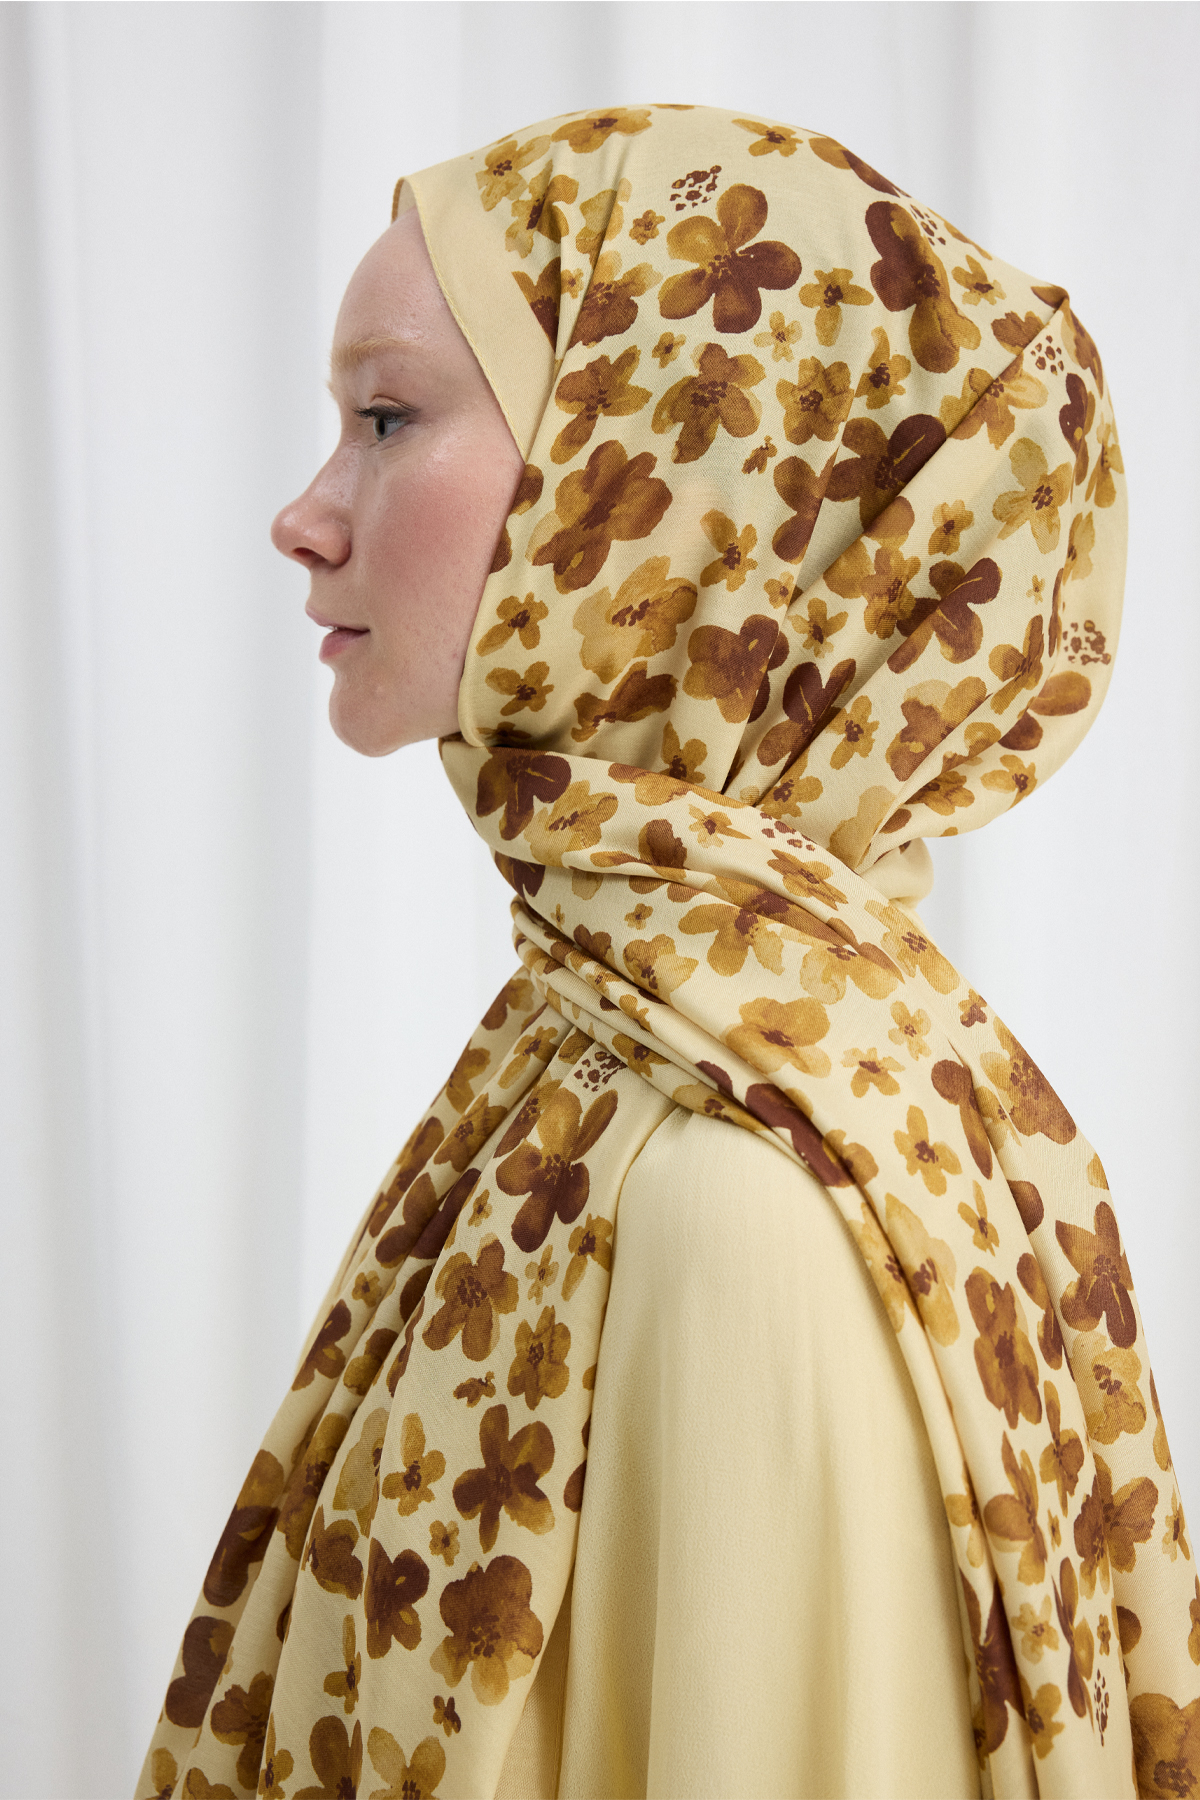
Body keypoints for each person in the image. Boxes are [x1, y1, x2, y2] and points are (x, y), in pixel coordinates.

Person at [138, 107, 1198, 1800]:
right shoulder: (652, 1041)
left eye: (386, 418)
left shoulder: (738, 1199)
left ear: (659, 488)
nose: (307, 516)